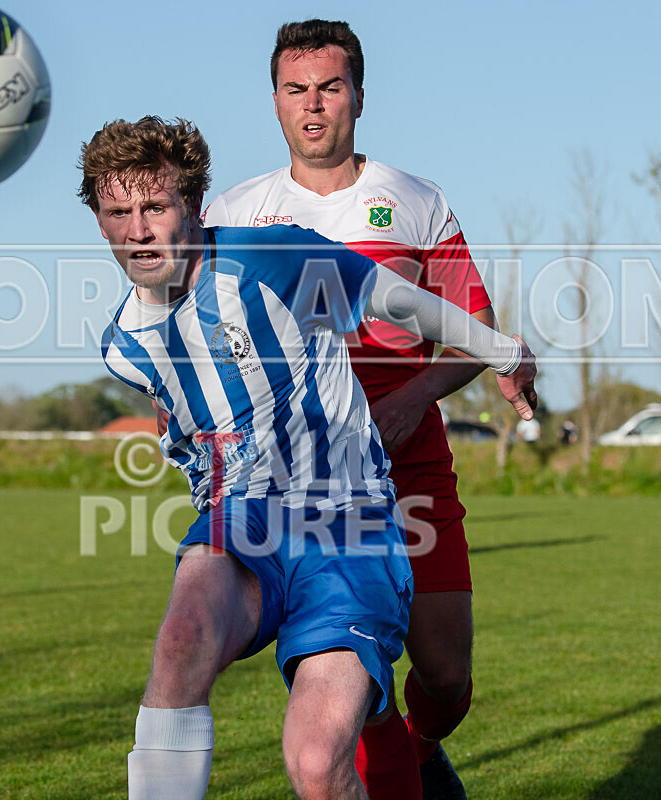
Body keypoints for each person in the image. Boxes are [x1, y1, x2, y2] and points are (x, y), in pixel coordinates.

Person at [79, 115, 536, 800]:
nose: (138, 230)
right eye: (118, 212)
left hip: (347, 530)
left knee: (319, 767)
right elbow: (188, 430)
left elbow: (397, 298)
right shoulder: (125, 346)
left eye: (155, 207)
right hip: (243, 526)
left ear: (193, 205)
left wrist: (500, 350)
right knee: (179, 643)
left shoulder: (269, 258)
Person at [202, 19, 503, 797]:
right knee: (352, 682)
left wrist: (410, 399)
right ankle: (391, 755)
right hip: (308, 486)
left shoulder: (414, 200)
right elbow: (199, 337)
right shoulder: (234, 214)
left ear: (358, 97)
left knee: (444, 672)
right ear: (274, 102)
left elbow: (476, 337)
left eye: (329, 88)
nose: (313, 106)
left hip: (410, 460)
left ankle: (424, 740)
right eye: (296, 90)